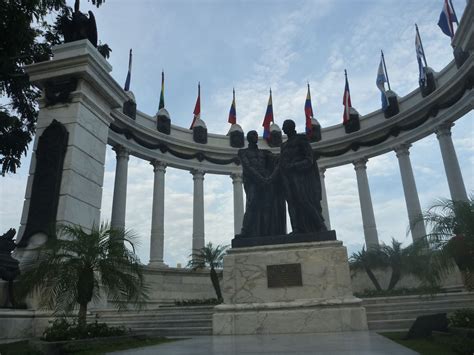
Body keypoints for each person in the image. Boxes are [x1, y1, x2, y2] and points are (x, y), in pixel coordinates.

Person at [277, 119, 327, 234]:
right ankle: (297, 228)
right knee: (291, 203)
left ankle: (320, 225)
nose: (283, 129)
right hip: (287, 178)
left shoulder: (301, 139)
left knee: (304, 200)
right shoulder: (283, 145)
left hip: (301, 177)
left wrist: (294, 166)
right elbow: (281, 162)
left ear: (291, 127)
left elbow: (309, 159)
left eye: (284, 126)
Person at [236, 131, 286, 238]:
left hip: (266, 182)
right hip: (253, 182)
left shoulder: (264, 153)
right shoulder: (243, 152)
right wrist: (261, 179)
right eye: (252, 135)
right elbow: (248, 167)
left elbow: (277, 159)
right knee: (252, 205)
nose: (255, 136)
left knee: (268, 206)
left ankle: (267, 232)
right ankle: (245, 231)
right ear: (248, 138)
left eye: (255, 135)